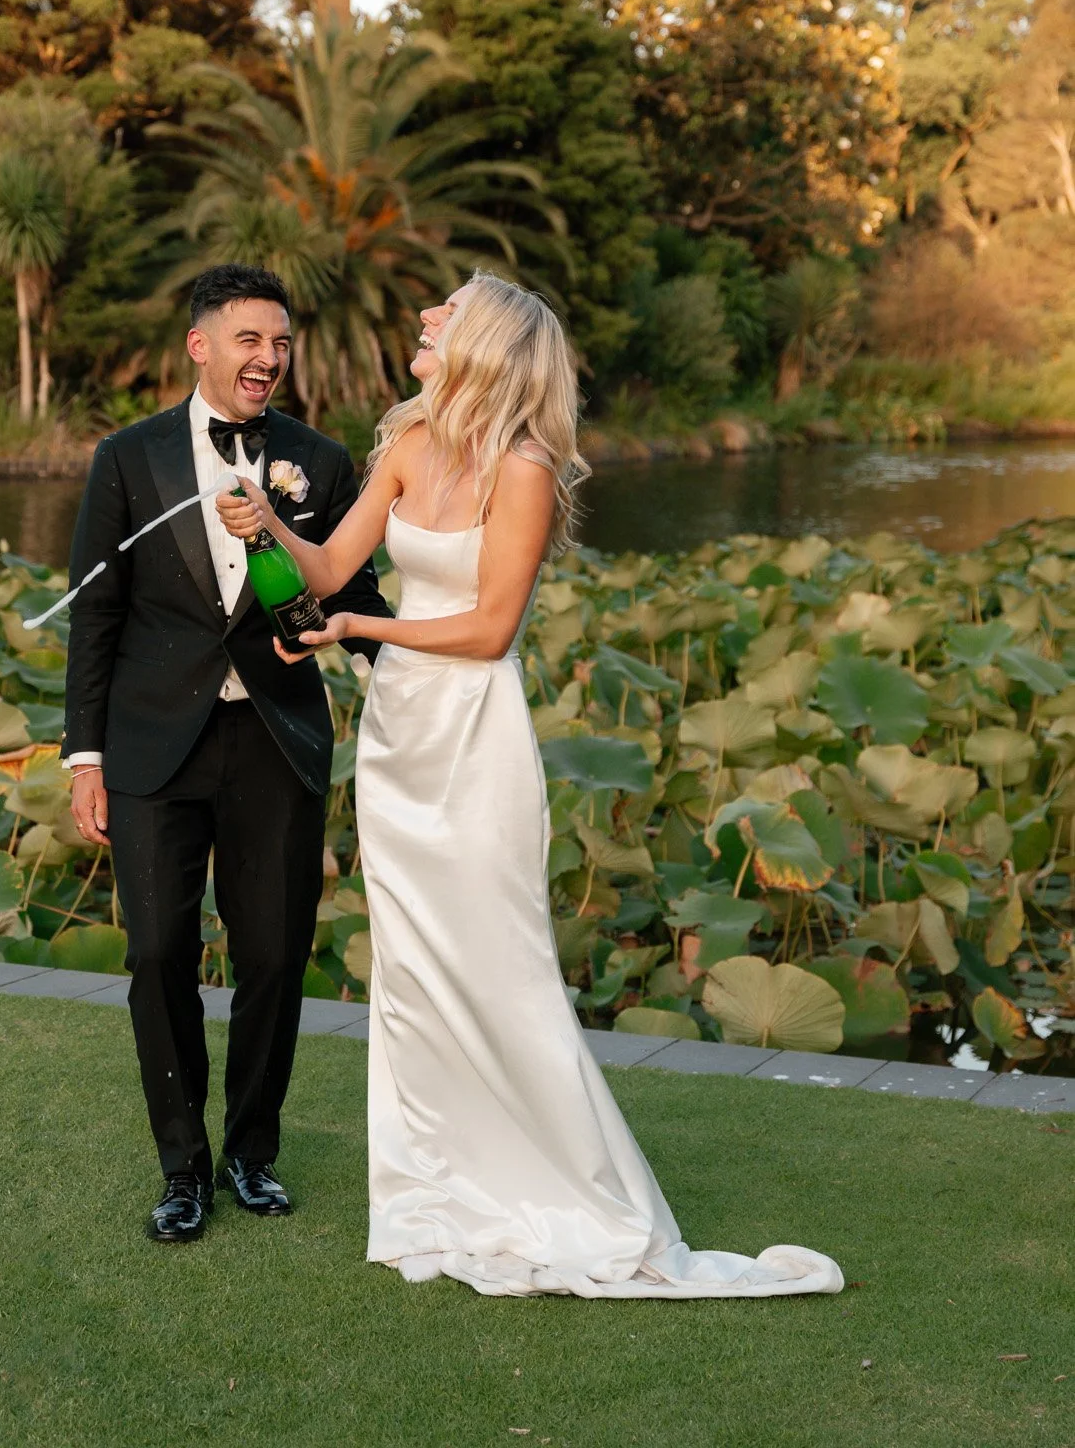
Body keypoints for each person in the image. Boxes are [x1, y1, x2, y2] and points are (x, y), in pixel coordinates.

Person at [218, 272, 844, 1299]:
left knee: (501, 961)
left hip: (474, 730)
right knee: (415, 969)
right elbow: (330, 569)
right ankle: (438, 1191)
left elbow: (488, 628)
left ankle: (579, 1196)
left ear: (489, 342)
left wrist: (365, 629)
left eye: (445, 312)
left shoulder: (525, 468)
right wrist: (267, 530)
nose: (424, 319)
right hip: (400, 738)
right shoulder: (409, 446)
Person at [63, 263, 390, 1245]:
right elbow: (97, 614)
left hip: (275, 738)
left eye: (281, 341)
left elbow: (344, 599)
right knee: (158, 948)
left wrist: (425, 669)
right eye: (250, 339)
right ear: (200, 344)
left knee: (276, 953)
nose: (269, 358)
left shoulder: (319, 462)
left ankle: (251, 1151)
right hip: (152, 743)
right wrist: (85, 756)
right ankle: (182, 1169)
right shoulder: (127, 458)